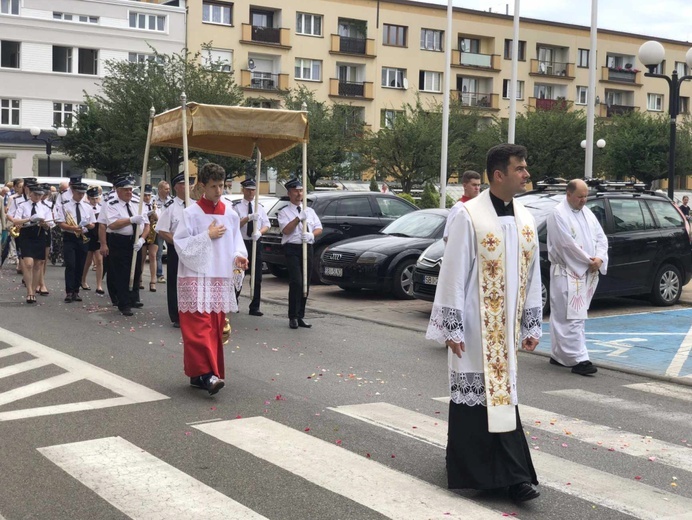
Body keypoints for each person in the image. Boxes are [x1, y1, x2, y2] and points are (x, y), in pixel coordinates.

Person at [426, 143, 542, 502]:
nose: (526, 174)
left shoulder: (525, 218)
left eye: (525, 167)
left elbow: (533, 273)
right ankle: (482, 472)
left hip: (505, 331)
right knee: (478, 399)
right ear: (498, 175)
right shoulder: (468, 215)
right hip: (476, 328)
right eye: (519, 168)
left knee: (505, 397)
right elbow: (453, 272)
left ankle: (510, 474)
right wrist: (451, 326)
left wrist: (531, 323)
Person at [173, 163, 248, 395]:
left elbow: (237, 243)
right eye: (214, 186)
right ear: (202, 186)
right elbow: (181, 245)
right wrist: (208, 235)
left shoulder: (231, 214)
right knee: (199, 329)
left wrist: (239, 257)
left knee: (213, 328)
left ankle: (198, 374)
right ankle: (208, 375)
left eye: (222, 186)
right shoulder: (191, 214)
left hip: (219, 278)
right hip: (195, 278)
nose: (218, 191)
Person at [547, 179, 608, 376]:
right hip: (567, 271)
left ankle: (558, 355)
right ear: (568, 194)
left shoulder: (587, 212)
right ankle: (579, 359)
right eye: (580, 197)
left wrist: (599, 257)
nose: (583, 200)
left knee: (572, 315)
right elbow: (566, 245)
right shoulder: (558, 214)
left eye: (585, 196)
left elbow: (600, 237)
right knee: (571, 315)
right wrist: (588, 261)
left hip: (585, 271)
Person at [278, 178, 323, 329]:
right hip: (292, 248)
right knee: (296, 281)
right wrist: (298, 219)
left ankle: (301, 315)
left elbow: (318, 228)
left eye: (301, 191)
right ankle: (293, 316)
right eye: (295, 191)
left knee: (305, 282)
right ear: (289, 193)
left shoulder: (310, 211)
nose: (299, 194)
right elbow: (286, 230)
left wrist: (312, 235)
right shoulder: (284, 212)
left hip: (307, 247)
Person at [104, 176, 150, 317]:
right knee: (122, 273)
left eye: (130, 190)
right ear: (118, 191)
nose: (129, 192)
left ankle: (133, 298)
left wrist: (142, 239)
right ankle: (123, 303)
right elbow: (112, 224)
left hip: (136, 241)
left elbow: (147, 225)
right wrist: (130, 220)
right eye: (126, 190)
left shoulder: (138, 203)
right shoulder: (111, 204)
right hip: (119, 241)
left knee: (136, 270)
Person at [232, 178, 270, 316]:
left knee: (257, 276)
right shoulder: (236, 207)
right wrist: (247, 218)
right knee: (238, 274)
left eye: (253, 190)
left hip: (255, 242)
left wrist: (260, 232)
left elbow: (267, 224)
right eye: (248, 190)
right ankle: (234, 302)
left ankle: (255, 306)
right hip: (241, 243)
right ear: (243, 190)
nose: (251, 192)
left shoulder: (259, 206)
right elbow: (234, 225)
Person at [157, 173, 190, 328]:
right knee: (175, 281)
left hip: (193, 249)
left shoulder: (195, 205)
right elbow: (162, 230)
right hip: (176, 248)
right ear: (177, 187)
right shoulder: (170, 207)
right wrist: (177, 242)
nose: (188, 186)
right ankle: (176, 315)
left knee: (191, 281)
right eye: (184, 184)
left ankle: (191, 312)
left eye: (189, 183)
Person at [11, 184, 54, 303]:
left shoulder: (45, 207)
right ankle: (29, 291)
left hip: (39, 234)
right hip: (26, 234)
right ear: (30, 194)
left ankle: (34, 291)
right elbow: (16, 220)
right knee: (28, 263)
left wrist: (44, 223)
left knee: (38, 264)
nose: (37, 197)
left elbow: (50, 223)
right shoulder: (23, 205)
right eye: (35, 194)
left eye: (40, 195)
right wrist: (29, 219)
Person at [54, 182, 96, 303]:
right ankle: (69, 291)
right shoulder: (65, 206)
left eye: (83, 193)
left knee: (80, 265)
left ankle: (76, 291)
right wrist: (72, 228)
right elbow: (60, 223)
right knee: (71, 264)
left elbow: (93, 224)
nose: (81, 195)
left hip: (83, 237)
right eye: (79, 193)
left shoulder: (87, 207)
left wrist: (88, 225)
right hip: (69, 237)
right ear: (73, 192)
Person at [443, 170, 482, 241]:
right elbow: (447, 235)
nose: (477, 188)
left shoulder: (481, 207)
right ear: (465, 186)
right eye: (474, 185)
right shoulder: (458, 208)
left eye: (478, 185)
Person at [81, 186, 104, 294]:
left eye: (96, 198)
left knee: (99, 260)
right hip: (89, 233)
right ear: (88, 198)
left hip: (98, 234)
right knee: (88, 260)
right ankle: (83, 280)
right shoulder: (85, 207)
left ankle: (99, 285)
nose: (95, 201)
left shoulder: (101, 207)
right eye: (93, 199)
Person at [139, 184, 159, 292]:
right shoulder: (139, 205)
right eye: (145, 195)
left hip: (153, 232)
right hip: (143, 232)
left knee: (153, 255)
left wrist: (155, 213)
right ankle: (140, 279)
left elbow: (158, 219)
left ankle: (153, 281)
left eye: (149, 196)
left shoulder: (154, 205)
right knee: (142, 257)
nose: (147, 198)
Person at [155, 180, 171, 282]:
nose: (168, 191)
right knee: (159, 253)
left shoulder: (171, 200)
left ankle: (171, 273)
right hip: (160, 230)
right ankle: (160, 274)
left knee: (172, 253)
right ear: (160, 189)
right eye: (166, 189)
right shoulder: (154, 201)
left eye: (169, 189)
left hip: (170, 230)